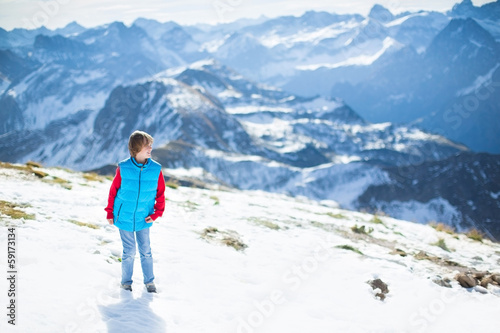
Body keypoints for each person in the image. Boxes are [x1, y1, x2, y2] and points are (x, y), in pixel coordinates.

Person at [105, 130, 166, 293]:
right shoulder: (123, 168)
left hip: (144, 218)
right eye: (147, 145)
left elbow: (160, 194)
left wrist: (156, 213)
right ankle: (126, 282)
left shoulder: (155, 169)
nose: (151, 148)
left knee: (146, 250)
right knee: (129, 251)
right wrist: (110, 212)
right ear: (137, 148)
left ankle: (149, 282)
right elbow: (114, 190)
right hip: (123, 216)